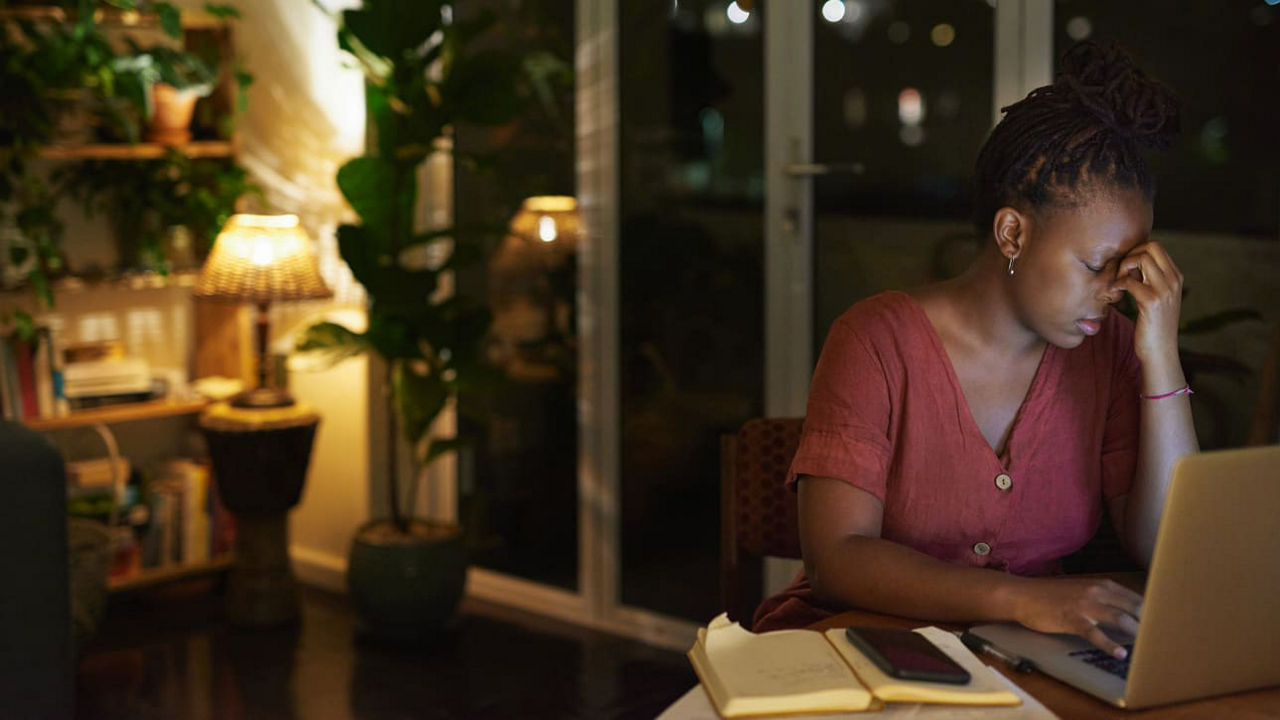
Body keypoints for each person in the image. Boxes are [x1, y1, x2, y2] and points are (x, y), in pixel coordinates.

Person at [752, 41, 1199, 661]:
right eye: (1097, 265)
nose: (1113, 293)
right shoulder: (874, 340)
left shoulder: (1113, 353)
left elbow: (1168, 547)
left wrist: (1162, 358)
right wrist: (1021, 600)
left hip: (1026, 656)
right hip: (860, 646)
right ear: (1012, 230)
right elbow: (838, 558)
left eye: (1125, 269)